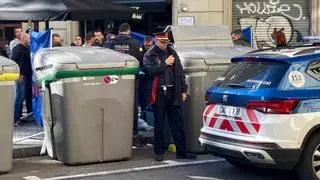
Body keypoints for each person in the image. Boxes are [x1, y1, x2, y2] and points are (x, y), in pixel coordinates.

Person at [143, 32, 197, 161]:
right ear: (156, 41)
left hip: (174, 91)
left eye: (166, 42)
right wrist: (164, 63)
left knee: (178, 123)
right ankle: (159, 151)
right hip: (159, 92)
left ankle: (182, 152)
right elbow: (149, 71)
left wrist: (183, 90)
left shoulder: (172, 52)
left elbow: (180, 72)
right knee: (160, 123)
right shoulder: (149, 54)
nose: (164, 44)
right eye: (162, 42)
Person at [105, 23, 143, 135]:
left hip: (112, 80)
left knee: (112, 103)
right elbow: (141, 62)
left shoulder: (109, 44)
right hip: (130, 80)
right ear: (129, 31)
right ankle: (133, 130)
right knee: (132, 105)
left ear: (119, 31)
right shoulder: (136, 44)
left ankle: (113, 128)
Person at [11, 33, 32, 126]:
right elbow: (13, 62)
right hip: (20, 77)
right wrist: (18, 75)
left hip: (25, 76)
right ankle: (14, 120)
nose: (30, 40)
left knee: (21, 98)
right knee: (18, 98)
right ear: (23, 39)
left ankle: (18, 118)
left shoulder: (26, 48)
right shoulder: (18, 49)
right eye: (29, 39)